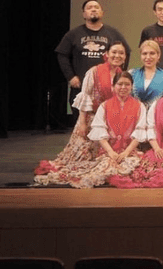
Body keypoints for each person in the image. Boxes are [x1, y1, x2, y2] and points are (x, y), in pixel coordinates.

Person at [35, 42, 127, 184]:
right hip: (91, 118)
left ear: (125, 57)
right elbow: (86, 96)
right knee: (82, 155)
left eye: (121, 53)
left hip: (109, 121)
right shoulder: (94, 72)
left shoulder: (122, 75)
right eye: (114, 52)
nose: (117, 55)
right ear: (107, 54)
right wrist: (83, 123)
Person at [37, 72, 146, 188]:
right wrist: (110, 152)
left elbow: (139, 134)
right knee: (106, 168)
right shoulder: (104, 106)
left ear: (131, 86)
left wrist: (126, 153)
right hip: (109, 153)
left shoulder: (139, 106)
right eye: (120, 84)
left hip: (129, 152)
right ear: (113, 86)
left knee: (133, 168)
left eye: (127, 84)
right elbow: (100, 134)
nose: (123, 87)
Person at [109, 69, 163, 188]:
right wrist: (156, 148)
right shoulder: (156, 104)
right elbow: (150, 128)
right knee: (147, 170)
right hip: (158, 148)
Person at [55, 0, 130, 126]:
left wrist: (119, 74)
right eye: (89, 8)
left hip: (107, 89)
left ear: (102, 12)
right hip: (81, 87)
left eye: (96, 7)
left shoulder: (113, 33)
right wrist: (70, 76)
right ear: (84, 14)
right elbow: (62, 55)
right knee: (82, 126)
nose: (93, 9)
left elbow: (126, 52)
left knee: (108, 126)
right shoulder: (74, 34)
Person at [129, 40, 163, 108]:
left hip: (157, 113)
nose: (148, 57)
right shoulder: (132, 74)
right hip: (135, 112)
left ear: (158, 55)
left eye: (152, 53)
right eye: (144, 54)